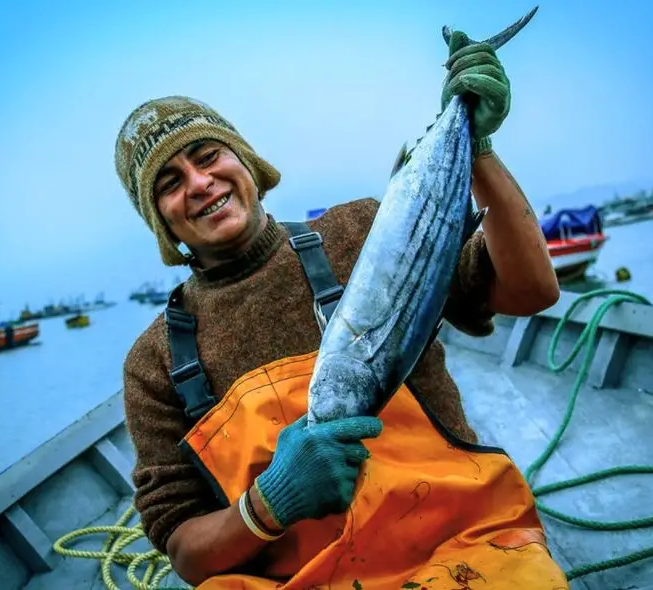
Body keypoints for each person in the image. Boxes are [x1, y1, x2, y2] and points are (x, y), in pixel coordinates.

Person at [115, 29, 567, 590]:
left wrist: (478, 150)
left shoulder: (359, 231)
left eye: (208, 157)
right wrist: (267, 503)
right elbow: (184, 549)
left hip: (462, 548)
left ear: (246, 162)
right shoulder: (156, 360)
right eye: (170, 183)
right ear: (160, 221)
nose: (201, 183)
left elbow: (531, 291)